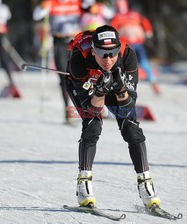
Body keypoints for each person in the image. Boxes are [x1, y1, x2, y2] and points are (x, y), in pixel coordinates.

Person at [65, 25, 161, 208]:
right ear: (93, 51)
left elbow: (129, 104)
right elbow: (92, 110)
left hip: (114, 87)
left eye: (112, 53)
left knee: (131, 127)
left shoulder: (127, 55)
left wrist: (121, 89)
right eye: (102, 53)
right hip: (88, 88)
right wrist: (100, 91)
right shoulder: (79, 58)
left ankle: (146, 185)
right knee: (93, 124)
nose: (108, 60)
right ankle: (84, 185)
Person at [33, 0, 82, 123]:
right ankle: (67, 111)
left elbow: (96, 9)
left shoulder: (77, 2)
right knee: (64, 78)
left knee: (82, 76)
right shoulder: (52, 2)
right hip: (59, 42)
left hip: (76, 42)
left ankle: (87, 108)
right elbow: (37, 15)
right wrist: (43, 7)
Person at [111, 0, 161, 94]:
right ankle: (129, 85)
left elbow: (144, 22)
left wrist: (148, 32)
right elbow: (113, 30)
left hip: (135, 43)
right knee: (136, 64)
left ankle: (152, 81)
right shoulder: (118, 18)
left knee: (140, 63)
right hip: (129, 44)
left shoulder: (132, 15)